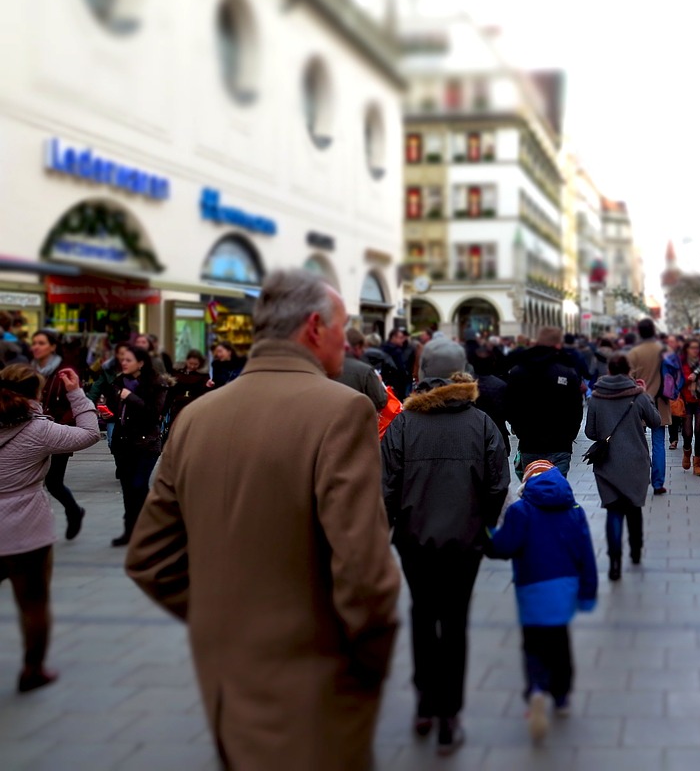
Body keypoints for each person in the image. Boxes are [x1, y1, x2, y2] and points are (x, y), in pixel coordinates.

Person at [126, 269, 401, 770]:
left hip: (225, 677)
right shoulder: (342, 410)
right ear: (314, 326)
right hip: (312, 685)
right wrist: (365, 665)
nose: (346, 341)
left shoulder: (196, 416)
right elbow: (365, 574)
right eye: (342, 326)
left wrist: (224, 621)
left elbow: (148, 557)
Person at [381, 369, 509, 753]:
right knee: (455, 620)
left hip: (414, 538)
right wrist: (484, 522)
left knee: (423, 613)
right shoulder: (480, 422)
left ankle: (425, 701)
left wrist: (392, 525)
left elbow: (387, 484)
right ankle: (449, 716)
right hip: (464, 539)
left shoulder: (404, 423)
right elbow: (498, 482)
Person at [0, 363, 100, 692]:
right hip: (25, 530)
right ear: (36, 393)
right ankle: (33, 670)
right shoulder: (39, 430)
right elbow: (89, 434)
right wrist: (76, 393)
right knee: (33, 603)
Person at [488, 459, 597, 742]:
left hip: (531, 587)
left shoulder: (520, 511)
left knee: (533, 644)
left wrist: (489, 533)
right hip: (564, 589)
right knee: (560, 643)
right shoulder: (574, 511)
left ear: (526, 483)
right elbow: (586, 555)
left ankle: (536, 688)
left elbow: (504, 547)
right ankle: (561, 697)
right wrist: (587, 593)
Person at [585, 355, 661, 580]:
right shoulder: (638, 395)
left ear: (608, 370)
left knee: (614, 510)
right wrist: (646, 395)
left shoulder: (596, 397)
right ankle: (636, 551)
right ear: (629, 370)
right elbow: (656, 421)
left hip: (607, 463)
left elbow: (590, 432)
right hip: (635, 462)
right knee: (634, 507)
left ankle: (615, 562)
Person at [102, 344, 172, 546]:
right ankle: (131, 531)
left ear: (141, 363)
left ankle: (153, 527)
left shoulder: (157, 383)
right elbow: (115, 408)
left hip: (146, 443)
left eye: (128, 360)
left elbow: (153, 414)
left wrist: (130, 397)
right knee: (128, 489)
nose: (123, 363)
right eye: (122, 359)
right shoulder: (118, 382)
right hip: (123, 442)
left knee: (139, 485)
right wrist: (108, 413)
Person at [506, 327, 584, 477]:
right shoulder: (566, 371)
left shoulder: (518, 371)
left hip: (530, 443)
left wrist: (520, 431)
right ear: (558, 344)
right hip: (560, 443)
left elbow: (510, 407)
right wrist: (570, 435)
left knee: (533, 485)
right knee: (557, 486)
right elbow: (576, 409)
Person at [30, 329, 85, 540]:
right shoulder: (29, 370)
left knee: (53, 482)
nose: (36, 347)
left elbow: (74, 401)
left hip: (58, 433)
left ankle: (74, 511)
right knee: (34, 483)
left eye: (41, 343)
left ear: (53, 347)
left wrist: (61, 426)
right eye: (34, 343)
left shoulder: (64, 371)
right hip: (32, 433)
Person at [625, 319, 672, 494]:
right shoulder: (664, 350)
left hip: (638, 401)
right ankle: (658, 483)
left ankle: (639, 479)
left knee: (638, 443)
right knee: (659, 443)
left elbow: (628, 378)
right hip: (660, 401)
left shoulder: (634, 353)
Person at [338, 328, 390, 413]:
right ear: (358, 347)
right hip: (356, 418)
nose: (364, 351)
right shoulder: (365, 370)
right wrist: (379, 383)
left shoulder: (326, 366)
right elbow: (380, 401)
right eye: (363, 348)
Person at [678, 339, 700, 476]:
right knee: (687, 432)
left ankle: (697, 464)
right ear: (687, 349)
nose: (695, 350)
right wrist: (688, 379)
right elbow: (677, 381)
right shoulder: (681, 363)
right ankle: (687, 452)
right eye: (692, 348)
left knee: (698, 431)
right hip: (686, 399)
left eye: (697, 348)